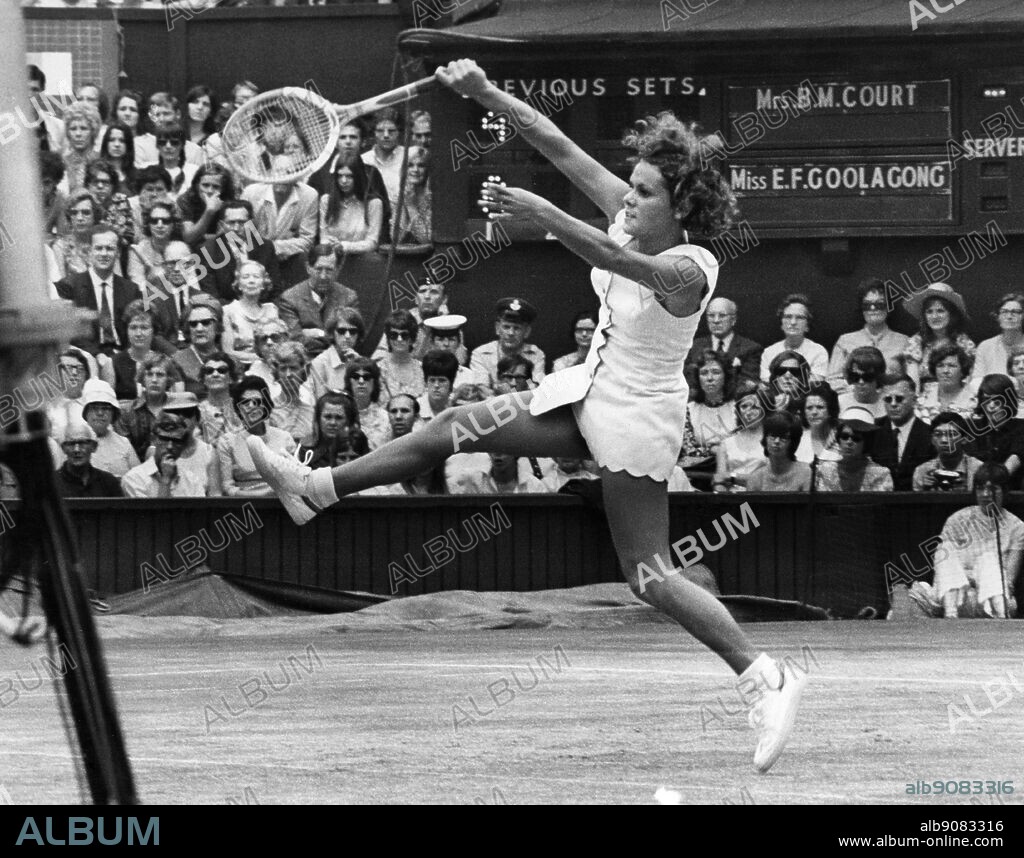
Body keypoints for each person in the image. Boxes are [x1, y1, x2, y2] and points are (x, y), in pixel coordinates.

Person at [245, 60, 807, 772]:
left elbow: (608, 253)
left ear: (680, 207)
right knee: (456, 427)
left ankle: (767, 676)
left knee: (651, 576)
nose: (627, 198)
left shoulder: (692, 270)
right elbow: (559, 145)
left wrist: (539, 214)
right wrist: (483, 92)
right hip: (592, 389)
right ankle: (316, 488)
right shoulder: (637, 210)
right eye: (628, 186)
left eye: (642, 191)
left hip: (638, 416)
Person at [910, 463, 1022, 619]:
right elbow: (944, 568)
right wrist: (964, 580)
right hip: (954, 591)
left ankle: (1001, 618)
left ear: (1004, 491)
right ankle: (951, 616)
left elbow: (1008, 580)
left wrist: (976, 576)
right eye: (980, 488)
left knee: (988, 561)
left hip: (991, 595)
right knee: (946, 549)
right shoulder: (958, 519)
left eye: (992, 489)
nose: (985, 494)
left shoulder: (1017, 527)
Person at [57, 225, 141, 359]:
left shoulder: (131, 290)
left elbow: (137, 329)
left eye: (109, 249)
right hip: (88, 356)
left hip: (123, 357)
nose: (104, 254)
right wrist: (98, 355)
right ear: (89, 251)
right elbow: (72, 333)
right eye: (98, 248)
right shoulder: (69, 287)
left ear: (118, 252)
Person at [216, 376, 296, 497]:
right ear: (238, 407)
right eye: (245, 402)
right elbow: (228, 488)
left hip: (281, 503)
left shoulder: (284, 438)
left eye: (257, 401)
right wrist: (262, 494)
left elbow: (296, 479)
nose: (252, 406)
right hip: (244, 505)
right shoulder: (227, 441)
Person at [827, 277, 909, 393]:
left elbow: (911, 383)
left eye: (879, 304)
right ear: (861, 309)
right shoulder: (845, 341)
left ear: (888, 307)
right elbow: (832, 381)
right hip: (854, 402)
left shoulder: (904, 342)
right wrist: (857, 388)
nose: (873, 309)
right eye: (867, 304)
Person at [275, 246, 360, 356]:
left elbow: (351, 337)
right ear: (308, 268)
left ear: (338, 270)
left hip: (340, 359)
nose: (323, 276)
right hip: (305, 362)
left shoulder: (349, 297)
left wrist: (317, 333)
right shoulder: (289, 298)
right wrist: (334, 336)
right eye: (318, 269)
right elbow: (295, 340)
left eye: (329, 270)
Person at [241, 172, 319, 289]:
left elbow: (307, 240)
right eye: (278, 172)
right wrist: (263, 250)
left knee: (302, 259)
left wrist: (272, 248)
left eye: (288, 173)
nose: (282, 177)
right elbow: (242, 232)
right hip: (253, 255)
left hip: (287, 258)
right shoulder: (251, 192)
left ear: (298, 175)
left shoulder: (309, 195)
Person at [196, 199, 281, 304]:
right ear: (222, 224)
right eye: (231, 223)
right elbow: (211, 297)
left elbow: (275, 290)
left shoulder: (265, 247)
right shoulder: (208, 251)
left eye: (242, 222)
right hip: (226, 312)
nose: (236, 228)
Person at [902, 282, 975, 389]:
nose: (934, 316)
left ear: (952, 314)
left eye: (940, 311)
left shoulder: (963, 343)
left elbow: (970, 379)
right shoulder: (916, 342)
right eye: (929, 312)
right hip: (924, 401)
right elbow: (913, 382)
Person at [686, 296, 762, 391]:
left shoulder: (750, 349)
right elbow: (689, 382)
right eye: (711, 315)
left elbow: (749, 383)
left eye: (722, 315)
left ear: (733, 320)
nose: (716, 320)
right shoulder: (693, 347)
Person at [871, 374, 934, 491]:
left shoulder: (929, 434)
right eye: (888, 399)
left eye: (899, 399)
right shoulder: (873, 431)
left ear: (914, 400)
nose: (893, 404)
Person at [122, 412, 205, 498]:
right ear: (153, 439)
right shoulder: (134, 479)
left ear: (183, 446)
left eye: (176, 441)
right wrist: (166, 480)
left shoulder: (192, 481)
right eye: (165, 439)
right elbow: (159, 512)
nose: (170, 446)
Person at [469, 297, 547, 388]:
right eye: (506, 327)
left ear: (526, 332)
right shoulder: (481, 354)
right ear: (497, 328)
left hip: (525, 399)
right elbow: (482, 388)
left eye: (517, 328)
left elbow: (535, 385)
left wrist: (526, 383)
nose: (511, 333)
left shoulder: (535, 354)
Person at [814, 405, 894, 492]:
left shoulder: (881, 474)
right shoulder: (824, 470)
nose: (849, 442)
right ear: (838, 439)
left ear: (867, 443)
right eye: (844, 437)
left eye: (856, 438)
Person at [118, 352, 180, 461]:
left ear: (168, 379)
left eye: (160, 375)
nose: (154, 380)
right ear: (142, 378)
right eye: (149, 374)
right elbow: (124, 452)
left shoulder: (178, 410)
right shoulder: (127, 412)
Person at [966, 374, 1024, 489]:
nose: (991, 406)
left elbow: (1013, 462)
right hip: (977, 491)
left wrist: (991, 482)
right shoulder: (971, 427)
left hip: (1011, 493)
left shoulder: (1021, 428)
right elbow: (972, 463)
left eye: (997, 400)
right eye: (987, 400)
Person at [682, 349, 737, 465]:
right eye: (704, 373)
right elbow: (689, 450)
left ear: (726, 376)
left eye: (716, 372)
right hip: (700, 470)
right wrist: (713, 450)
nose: (709, 378)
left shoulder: (739, 407)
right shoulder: (688, 410)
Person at [221, 261, 280, 368]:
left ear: (263, 284)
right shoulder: (228, 311)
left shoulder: (272, 309)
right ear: (238, 284)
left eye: (256, 277)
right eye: (245, 277)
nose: (251, 281)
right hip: (241, 369)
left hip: (271, 367)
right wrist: (261, 358)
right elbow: (228, 351)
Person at [760, 294, 828, 383]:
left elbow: (815, 385)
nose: (793, 322)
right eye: (788, 317)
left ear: (807, 325)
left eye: (800, 317)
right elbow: (767, 384)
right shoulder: (769, 352)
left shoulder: (818, 352)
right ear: (781, 323)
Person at [713, 381, 769, 492]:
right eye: (744, 407)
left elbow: (768, 480)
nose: (748, 412)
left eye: (755, 407)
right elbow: (719, 479)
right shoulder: (727, 443)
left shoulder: (771, 440)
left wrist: (731, 477)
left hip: (760, 498)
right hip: (732, 501)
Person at [319, 159, 382, 256]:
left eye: (349, 176)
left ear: (359, 177)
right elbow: (323, 238)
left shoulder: (373, 203)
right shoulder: (326, 200)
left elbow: (372, 243)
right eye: (340, 176)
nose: (343, 181)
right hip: (332, 258)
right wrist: (330, 245)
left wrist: (344, 246)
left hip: (363, 262)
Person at [81, 380, 140, 478]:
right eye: (95, 408)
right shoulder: (76, 443)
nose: (100, 413)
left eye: (105, 408)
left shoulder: (123, 443)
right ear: (86, 412)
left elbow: (139, 479)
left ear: (113, 413)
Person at [912, 411, 982, 492]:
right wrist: (925, 491)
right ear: (932, 439)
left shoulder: (978, 469)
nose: (944, 440)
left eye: (952, 434)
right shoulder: (922, 471)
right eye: (938, 434)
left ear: (964, 439)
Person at [307, 307, 365, 400]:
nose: (347, 336)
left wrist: (358, 367)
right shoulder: (319, 363)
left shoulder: (361, 362)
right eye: (341, 331)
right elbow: (322, 402)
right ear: (332, 333)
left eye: (352, 331)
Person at [55, 421, 124, 499]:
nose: (76, 449)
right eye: (71, 443)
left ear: (94, 447)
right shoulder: (51, 484)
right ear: (63, 448)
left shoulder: (109, 482)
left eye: (82, 443)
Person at [746, 411, 812, 492]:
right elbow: (744, 504)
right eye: (772, 436)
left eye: (783, 437)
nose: (777, 441)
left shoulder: (806, 473)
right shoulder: (756, 478)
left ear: (793, 443)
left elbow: (810, 504)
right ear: (765, 439)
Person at [173, 296, 224, 397]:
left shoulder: (231, 361)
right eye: (193, 324)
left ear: (217, 325)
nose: (199, 329)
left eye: (206, 322)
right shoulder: (176, 361)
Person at [176, 163, 236, 248]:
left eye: (216, 187)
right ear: (197, 185)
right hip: (192, 248)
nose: (210, 191)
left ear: (223, 189)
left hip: (221, 245)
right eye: (205, 185)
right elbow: (189, 238)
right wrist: (209, 211)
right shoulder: (185, 200)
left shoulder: (228, 200)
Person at [50, 189, 104, 282]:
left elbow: (118, 283)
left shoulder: (105, 242)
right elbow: (60, 287)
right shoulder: (60, 247)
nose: (79, 218)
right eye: (74, 213)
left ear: (95, 215)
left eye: (86, 213)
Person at [914, 344, 977, 424]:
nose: (945, 371)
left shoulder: (975, 401)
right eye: (940, 366)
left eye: (952, 366)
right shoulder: (922, 401)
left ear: (962, 370)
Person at [267, 341, 316, 444]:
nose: (288, 374)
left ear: (303, 371)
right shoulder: (268, 410)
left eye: (293, 368)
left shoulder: (312, 411)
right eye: (283, 369)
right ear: (276, 373)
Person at [298, 392, 360, 469]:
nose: (333, 423)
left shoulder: (358, 452)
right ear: (318, 419)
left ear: (348, 421)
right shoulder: (305, 452)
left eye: (339, 418)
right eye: (327, 417)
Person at [128, 199, 180, 290]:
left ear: (173, 224)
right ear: (148, 224)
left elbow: (192, 284)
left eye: (166, 221)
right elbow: (138, 287)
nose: (160, 225)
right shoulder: (137, 251)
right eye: (154, 221)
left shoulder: (182, 248)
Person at [361, 108, 405, 214]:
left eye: (391, 131)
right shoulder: (364, 160)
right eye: (380, 131)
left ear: (399, 132)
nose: (386, 135)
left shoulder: (408, 156)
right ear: (374, 133)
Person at [387, 145, 432, 250]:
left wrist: (411, 205)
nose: (415, 170)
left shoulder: (433, 198)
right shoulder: (399, 196)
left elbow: (425, 239)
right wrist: (404, 201)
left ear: (428, 169)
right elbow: (396, 239)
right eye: (410, 165)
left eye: (421, 165)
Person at [972, 292, 1024, 381]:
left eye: (1015, 312)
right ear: (997, 316)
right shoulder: (985, 347)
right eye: (1004, 312)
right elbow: (976, 382)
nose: (1009, 316)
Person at [378, 309, 426, 399]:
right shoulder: (379, 370)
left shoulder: (423, 369)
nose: (399, 339)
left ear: (412, 338)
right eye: (394, 335)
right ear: (388, 338)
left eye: (404, 335)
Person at [197, 352, 242, 446]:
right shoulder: (197, 412)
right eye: (209, 371)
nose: (215, 374)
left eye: (222, 370)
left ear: (231, 378)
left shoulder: (242, 407)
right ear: (203, 380)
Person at [47, 349, 91, 443]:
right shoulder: (47, 408)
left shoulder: (93, 403)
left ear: (86, 374)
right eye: (68, 368)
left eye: (79, 368)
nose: (74, 373)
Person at [345, 357, 390, 450]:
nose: (361, 381)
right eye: (356, 377)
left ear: (375, 382)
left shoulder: (386, 419)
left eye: (366, 377)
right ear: (349, 381)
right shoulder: (341, 415)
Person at [422, 315, 478, 387]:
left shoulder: (469, 375)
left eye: (451, 339)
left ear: (458, 343)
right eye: (440, 339)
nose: (446, 344)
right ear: (432, 342)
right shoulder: (422, 374)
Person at [60, 101, 101, 194]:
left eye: (83, 128)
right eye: (73, 129)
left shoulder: (101, 160)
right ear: (67, 132)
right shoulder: (61, 163)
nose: (78, 134)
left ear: (93, 131)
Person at [795, 381, 841, 464]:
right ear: (804, 413)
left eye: (820, 407)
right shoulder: (797, 439)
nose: (814, 412)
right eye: (809, 408)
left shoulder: (841, 438)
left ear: (830, 410)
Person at [837, 346, 886, 419]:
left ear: (878, 376)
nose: (861, 382)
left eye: (867, 377)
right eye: (855, 376)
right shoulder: (838, 403)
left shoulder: (889, 404)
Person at [27, 64, 65, 153]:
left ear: (42, 92)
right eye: (25, 89)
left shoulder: (59, 127)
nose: (29, 94)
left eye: (34, 89)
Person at [99, 122, 137, 196]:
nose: (117, 144)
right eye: (112, 140)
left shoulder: (136, 175)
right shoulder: (97, 171)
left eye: (122, 141)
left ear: (128, 145)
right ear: (106, 143)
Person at [419, 350, 458, 421]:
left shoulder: (459, 410)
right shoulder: (416, 409)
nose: (436, 385)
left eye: (442, 380)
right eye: (432, 380)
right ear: (425, 382)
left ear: (451, 382)